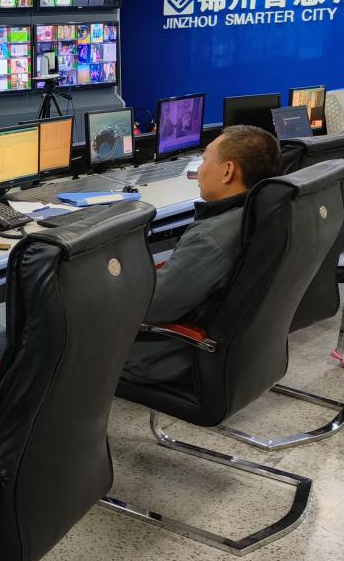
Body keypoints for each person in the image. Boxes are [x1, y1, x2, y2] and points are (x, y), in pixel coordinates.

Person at [121, 125, 282, 385]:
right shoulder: (257, 216)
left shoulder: (211, 238)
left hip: (164, 356)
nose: (199, 170)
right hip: (231, 351)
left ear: (228, 171)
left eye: (205, 160)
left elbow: (152, 306)